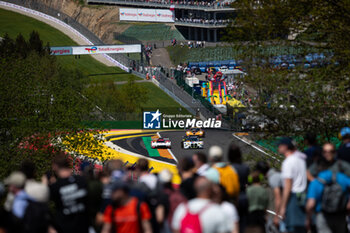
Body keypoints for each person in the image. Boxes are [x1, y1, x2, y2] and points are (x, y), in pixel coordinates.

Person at [49, 153, 90, 233]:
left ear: (55, 166)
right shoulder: (81, 181)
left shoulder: (55, 187)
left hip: (65, 227)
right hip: (84, 226)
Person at [277, 137, 307, 233]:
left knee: (292, 228)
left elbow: (288, 186)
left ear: (286, 147)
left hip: (293, 198)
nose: (278, 147)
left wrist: (283, 206)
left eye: (280, 145)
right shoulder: (301, 160)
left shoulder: (288, 162)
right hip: (303, 196)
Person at [227, 143, 249, 233]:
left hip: (232, 197)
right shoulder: (245, 168)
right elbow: (248, 183)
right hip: (244, 196)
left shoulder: (229, 169)